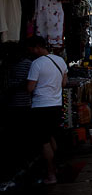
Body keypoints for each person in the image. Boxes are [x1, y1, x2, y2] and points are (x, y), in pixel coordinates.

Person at [26, 36, 67, 185]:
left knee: (44, 142)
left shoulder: (36, 64)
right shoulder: (60, 61)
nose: (30, 52)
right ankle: (56, 169)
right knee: (52, 137)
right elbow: (64, 83)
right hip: (56, 105)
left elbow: (30, 88)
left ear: (37, 47)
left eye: (30, 49)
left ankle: (51, 175)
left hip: (41, 106)